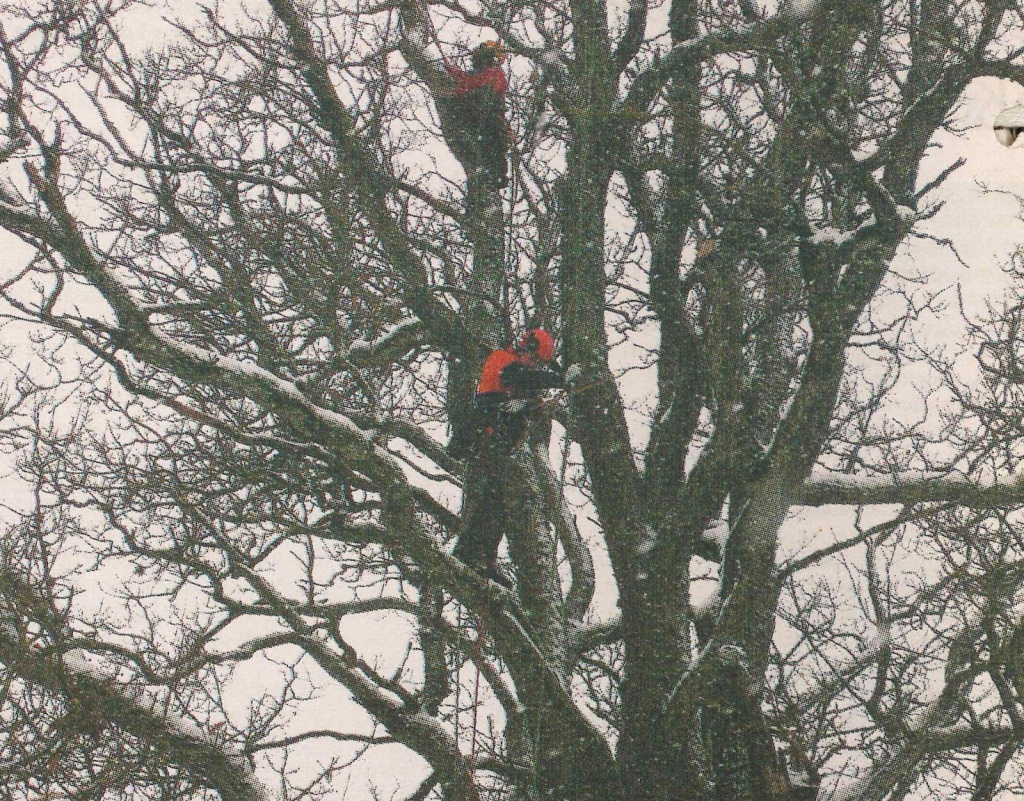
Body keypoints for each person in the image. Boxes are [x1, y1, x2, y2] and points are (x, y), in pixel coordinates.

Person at [451, 328, 581, 583]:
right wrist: (560, 378)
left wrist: (529, 408)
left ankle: (481, 558)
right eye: (536, 360)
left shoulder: (518, 373)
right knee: (495, 499)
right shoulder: (502, 360)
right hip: (486, 437)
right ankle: (468, 553)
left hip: (499, 442)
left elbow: (522, 389)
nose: (535, 365)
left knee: (499, 500)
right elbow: (521, 378)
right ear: (526, 349)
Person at [438, 41, 511, 188]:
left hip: (488, 116)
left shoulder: (495, 74)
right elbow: (467, 80)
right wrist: (450, 71)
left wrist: (457, 91)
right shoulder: (483, 73)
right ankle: (489, 174)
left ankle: (494, 176)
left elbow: (475, 84)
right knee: (484, 144)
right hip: (476, 117)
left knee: (492, 145)